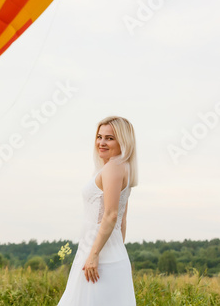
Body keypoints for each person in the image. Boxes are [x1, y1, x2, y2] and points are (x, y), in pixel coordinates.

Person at [57, 116, 138, 306]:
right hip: (108, 254)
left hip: (99, 257)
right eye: (99, 136)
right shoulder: (122, 168)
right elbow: (122, 220)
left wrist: (94, 255)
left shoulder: (113, 168)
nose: (101, 142)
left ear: (123, 141)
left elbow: (111, 216)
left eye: (109, 138)